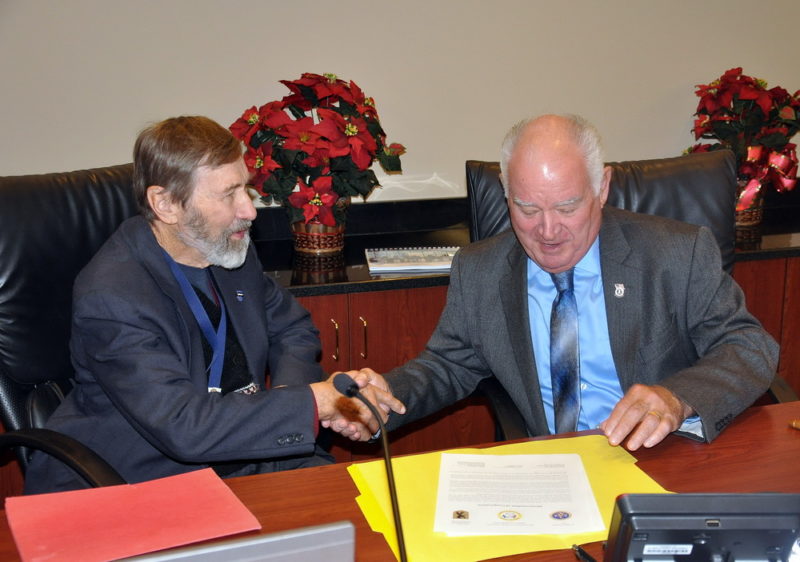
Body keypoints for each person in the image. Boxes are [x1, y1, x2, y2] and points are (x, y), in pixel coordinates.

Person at [24, 116, 404, 494]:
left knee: (357, 511)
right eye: (228, 194)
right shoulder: (112, 297)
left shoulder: (227, 249)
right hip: (142, 478)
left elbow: (293, 328)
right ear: (166, 204)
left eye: (246, 190)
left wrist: (295, 397)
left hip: (240, 451)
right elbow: (183, 428)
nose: (249, 211)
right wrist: (314, 402)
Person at [366, 113, 778, 451]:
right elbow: (447, 365)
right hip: (550, 471)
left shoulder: (675, 254)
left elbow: (749, 347)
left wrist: (676, 397)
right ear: (506, 196)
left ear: (602, 188)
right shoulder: (481, 270)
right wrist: (380, 395)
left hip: (661, 458)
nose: (548, 230)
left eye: (567, 207)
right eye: (527, 208)